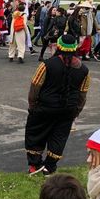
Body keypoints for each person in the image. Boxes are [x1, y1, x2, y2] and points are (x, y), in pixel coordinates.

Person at [25, 35, 91, 176]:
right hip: (68, 110)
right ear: (75, 48)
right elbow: (82, 95)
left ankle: (35, 165)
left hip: (44, 108)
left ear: (59, 46)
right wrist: (76, 112)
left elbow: (35, 87)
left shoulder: (46, 65)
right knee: (59, 138)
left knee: (36, 134)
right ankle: (49, 167)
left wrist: (32, 106)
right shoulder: (84, 70)